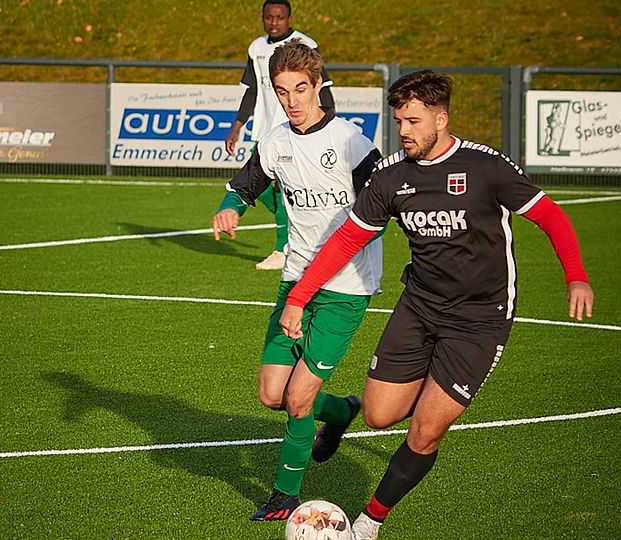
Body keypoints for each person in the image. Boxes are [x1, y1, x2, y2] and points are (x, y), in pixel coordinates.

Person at [278, 70, 595, 539]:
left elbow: (550, 216)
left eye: (413, 121)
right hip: (419, 306)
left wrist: (577, 277)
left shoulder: (486, 167)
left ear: (441, 119)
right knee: (378, 415)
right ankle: (374, 403)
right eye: (399, 121)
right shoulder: (391, 176)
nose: (403, 131)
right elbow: (347, 240)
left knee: (425, 431)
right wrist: (299, 299)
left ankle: (369, 523)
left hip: (479, 320)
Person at [212, 39, 382, 521]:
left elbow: (382, 206)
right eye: (282, 91)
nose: (291, 101)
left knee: (297, 396)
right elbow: (244, 186)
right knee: (272, 394)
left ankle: (284, 495)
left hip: (346, 287)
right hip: (294, 282)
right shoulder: (275, 142)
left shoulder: (351, 143)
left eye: (300, 89)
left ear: (318, 87)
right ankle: (343, 412)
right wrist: (229, 210)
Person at [224, 0, 335, 270]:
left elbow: (324, 88)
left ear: (289, 18)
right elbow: (252, 91)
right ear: (262, 18)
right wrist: (237, 126)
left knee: (287, 189)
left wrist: (328, 123)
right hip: (263, 132)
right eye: (269, 17)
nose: (274, 22)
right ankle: (303, 223)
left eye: (280, 17)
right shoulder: (256, 48)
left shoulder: (305, 43)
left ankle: (282, 250)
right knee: (260, 187)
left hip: (295, 129)